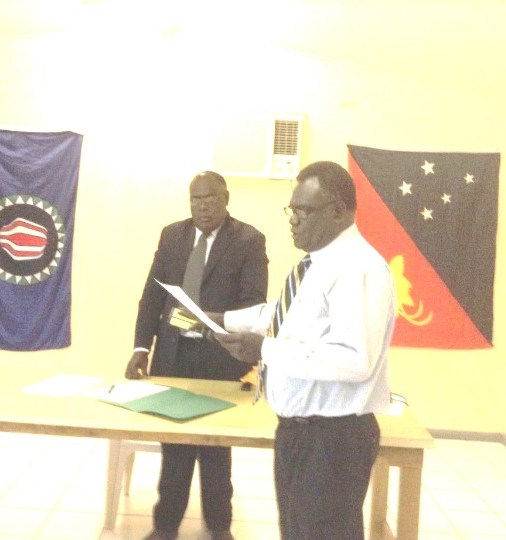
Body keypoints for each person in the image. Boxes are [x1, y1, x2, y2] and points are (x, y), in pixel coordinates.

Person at [212, 161, 395, 540]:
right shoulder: (318, 265)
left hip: (332, 440)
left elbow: (354, 359)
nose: (293, 220)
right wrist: (222, 319)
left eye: (304, 211)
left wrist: (264, 349)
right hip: (301, 434)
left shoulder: (358, 268)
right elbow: (282, 316)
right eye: (291, 210)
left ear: (338, 211)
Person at [125, 171, 268, 540]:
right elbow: (152, 297)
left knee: (216, 451)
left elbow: (254, 304)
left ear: (226, 198)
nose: (203, 206)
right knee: (174, 448)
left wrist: (211, 323)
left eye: (210, 198)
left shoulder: (248, 240)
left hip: (221, 359)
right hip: (173, 356)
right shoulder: (172, 235)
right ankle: (165, 527)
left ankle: (219, 527)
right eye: (195, 199)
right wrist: (141, 347)